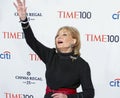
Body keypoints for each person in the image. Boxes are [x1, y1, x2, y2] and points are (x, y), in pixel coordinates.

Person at [14, 0, 95, 98]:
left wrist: (67, 97)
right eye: (57, 35)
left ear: (74, 41)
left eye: (64, 34)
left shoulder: (82, 65)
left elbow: (89, 94)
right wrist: (24, 20)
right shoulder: (50, 55)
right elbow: (31, 41)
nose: (59, 37)